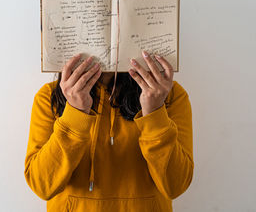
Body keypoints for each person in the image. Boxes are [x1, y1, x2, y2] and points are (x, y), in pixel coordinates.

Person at [24, 50, 194, 212]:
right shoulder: (49, 96)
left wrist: (155, 112)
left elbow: (176, 186)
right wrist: (75, 113)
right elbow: (42, 186)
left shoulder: (170, 95)